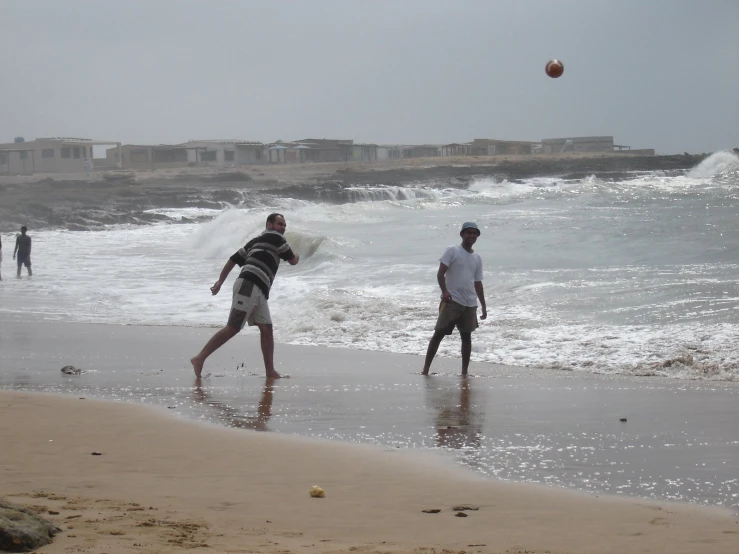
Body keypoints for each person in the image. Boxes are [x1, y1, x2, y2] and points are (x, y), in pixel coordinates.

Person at [191, 213, 299, 379]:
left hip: (260, 290)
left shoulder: (255, 241)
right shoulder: (276, 238)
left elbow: (233, 259)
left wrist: (220, 282)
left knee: (267, 329)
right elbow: (292, 260)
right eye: (279, 224)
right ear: (269, 225)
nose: (283, 228)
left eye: (284, 225)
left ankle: (270, 371)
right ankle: (199, 358)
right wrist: (297, 255)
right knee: (233, 327)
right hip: (249, 285)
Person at [421, 222, 487, 376]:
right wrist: (444, 292)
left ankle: (464, 372)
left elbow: (478, 283)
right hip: (452, 301)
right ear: (462, 234)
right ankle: (425, 370)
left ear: (477, 236)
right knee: (438, 334)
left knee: (466, 337)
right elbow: (440, 274)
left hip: (470, 303)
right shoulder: (453, 251)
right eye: (468, 232)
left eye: (474, 233)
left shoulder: (477, 258)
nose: (471, 235)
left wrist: (483, 305)